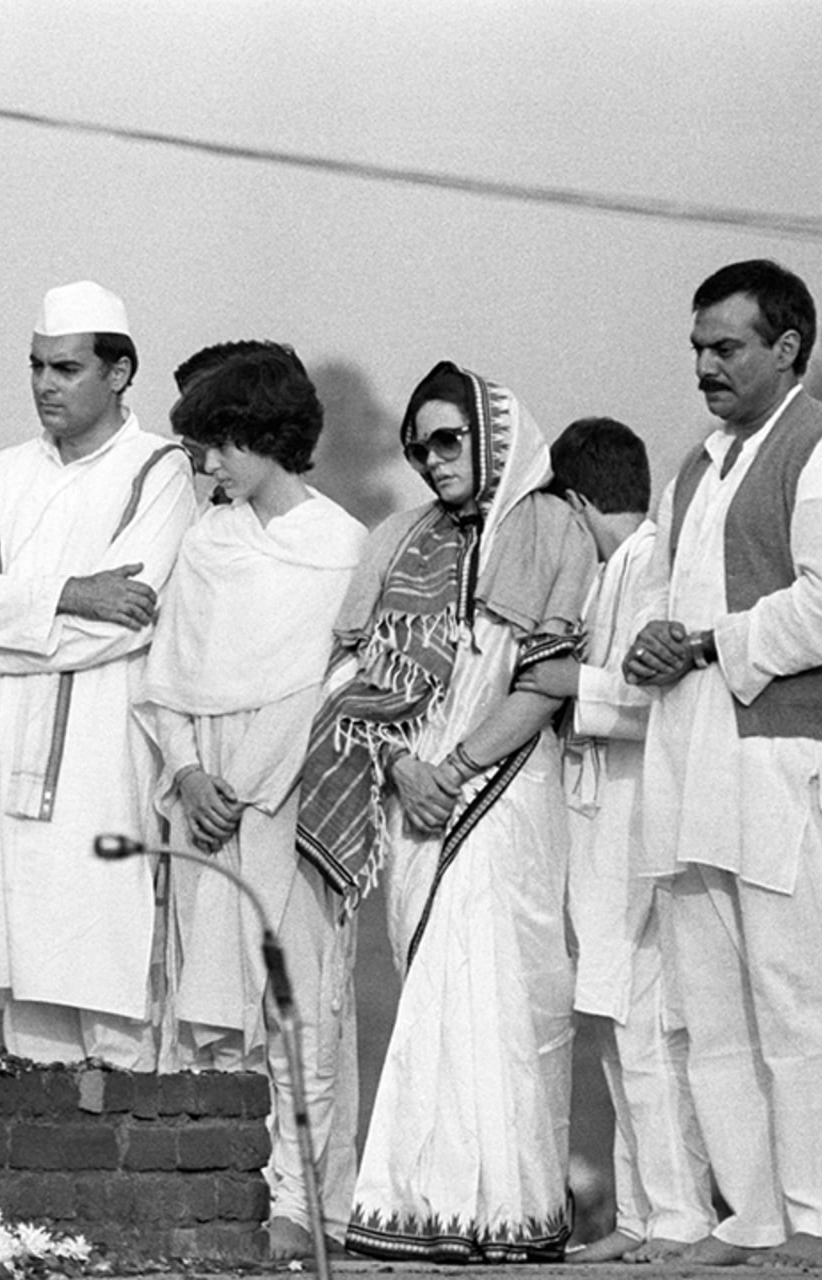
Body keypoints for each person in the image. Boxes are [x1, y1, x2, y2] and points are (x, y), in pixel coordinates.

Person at [296, 362, 596, 1262]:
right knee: (431, 984)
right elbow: (350, 675)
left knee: (499, 993)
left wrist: (455, 765)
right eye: (419, 445)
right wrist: (400, 767)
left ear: (494, 435)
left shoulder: (551, 528)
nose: (432, 460)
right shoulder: (396, 540)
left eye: (449, 440)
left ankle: (505, 1213)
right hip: (413, 799)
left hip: (502, 793)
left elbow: (549, 679)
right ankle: (422, 1210)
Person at [625, 259, 822, 1268]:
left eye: (725, 347)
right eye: (696, 348)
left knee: (797, 991)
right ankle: (754, 1215)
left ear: (787, 347)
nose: (705, 366)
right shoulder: (697, 465)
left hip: (778, 748)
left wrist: (708, 642)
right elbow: (665, 589)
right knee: (709, 1002)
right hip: (690, 750)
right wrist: (655, 637)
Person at [135, 342, 366, 1256]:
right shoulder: (206, 542)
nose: (209, 466)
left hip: (293, 796)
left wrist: (255, 780)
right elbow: (169, 680)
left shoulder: (342, 545)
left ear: (264, 434)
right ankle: (219, 1186)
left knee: (297, 1001)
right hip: (206, 802)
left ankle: (305, 1206)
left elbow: (334, 683)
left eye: (221, 444)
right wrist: (191, 776)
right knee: (209, 999)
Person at [0, 280, 198, 1067]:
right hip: (3, 753)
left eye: (67, 368)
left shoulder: (160, 472)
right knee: (22, 994)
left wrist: (2, 616)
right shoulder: (6, 472)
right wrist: (70, 593)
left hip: (102, 754)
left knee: (109, 980)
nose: (46, 385)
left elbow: (127, 625)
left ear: (118, 374)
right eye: (37, 366)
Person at [515, 417, 714, 1262]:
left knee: (644, 1026)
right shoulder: (614, 571)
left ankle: (675, 1217)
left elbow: (650, 701)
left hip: (638, 817)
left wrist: (565, 683)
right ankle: (640, 1217)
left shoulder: (654, 564)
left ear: (578, 500)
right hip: (598, 825)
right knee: (616, 1023)